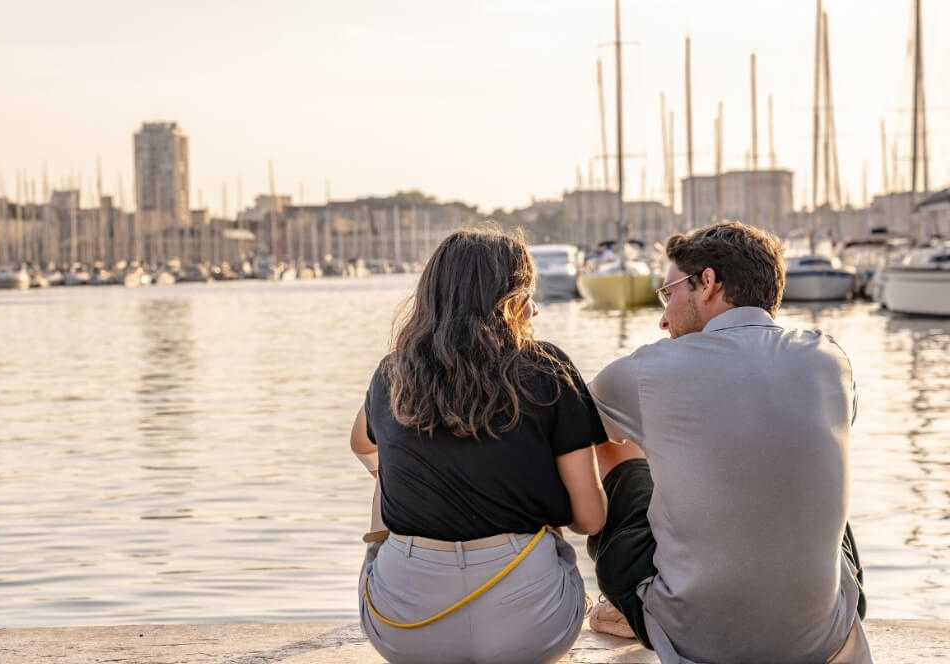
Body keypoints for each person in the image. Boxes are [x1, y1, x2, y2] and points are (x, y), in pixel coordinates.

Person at [585, 221, 872, 663]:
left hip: (698, 639)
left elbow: (571, 438)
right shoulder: (830, 357)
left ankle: (635, 604)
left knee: (616, 448)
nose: (663, 317)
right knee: (797, 470)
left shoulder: (646, 370)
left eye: (669, 294)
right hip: (823, 638)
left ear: (707, 283)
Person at [350, 228, 608, 664]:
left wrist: (409, 479)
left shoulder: (392, 374)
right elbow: (590, 519)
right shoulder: (548, 369)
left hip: (406, 633)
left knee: (385, 483)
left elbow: (361, 443)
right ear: (514, 299)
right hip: (530, 631)